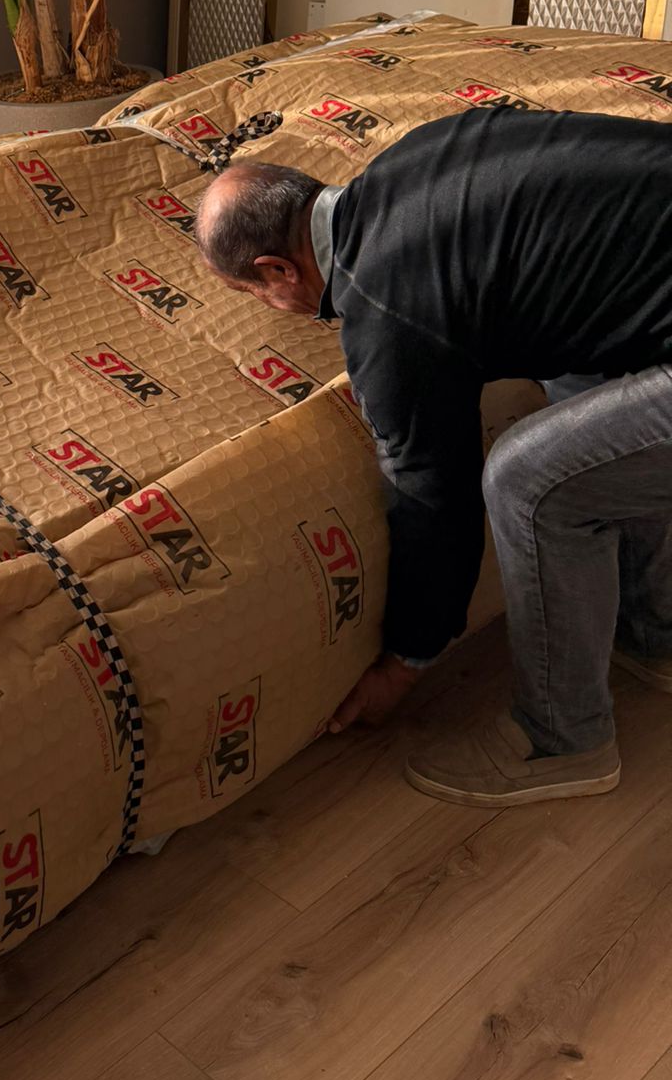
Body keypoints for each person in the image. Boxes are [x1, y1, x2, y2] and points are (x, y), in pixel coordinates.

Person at [193, 105, 672, 807]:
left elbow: (433, 497)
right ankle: (656, 632)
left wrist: (405, 662)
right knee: (579, 384)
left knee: (527, 480)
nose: (267, 305)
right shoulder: (421, 151)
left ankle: (562, 741)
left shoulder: (387, 311)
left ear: (278, 269)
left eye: (253, 293)